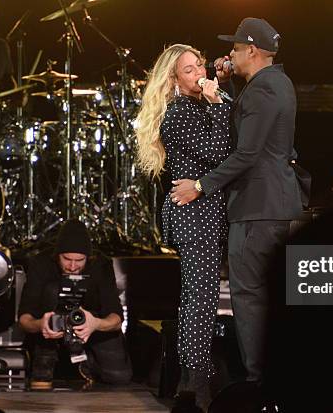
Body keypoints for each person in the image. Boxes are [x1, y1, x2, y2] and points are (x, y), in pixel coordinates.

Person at [171, 18, 304, 387]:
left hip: (258, 209)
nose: (227, 55)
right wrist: (226, 86)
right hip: (275, 205)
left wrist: (199, 185)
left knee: (249, 298)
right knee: (270, 297)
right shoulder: (274, 82)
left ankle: (260, 384)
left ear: (252, 51)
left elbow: (246, 152)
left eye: (234, 49)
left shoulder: (262, 89)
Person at [135, 44, 230, 411]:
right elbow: (219, 151)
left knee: (198, 300)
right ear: (173, 79)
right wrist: (218, 104)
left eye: (199, 65)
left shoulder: (197, 106)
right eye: (189, 70)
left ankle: (190, 383)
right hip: (195, 217)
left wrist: (219, 93)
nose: (199, 73)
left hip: (202, 214)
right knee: (201, 302)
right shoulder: (177, 114)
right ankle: (196, 384)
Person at [18, 219, 132, 388]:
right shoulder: (41, 263)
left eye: (79, 260)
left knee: (119, 377)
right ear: (57, 255)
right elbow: (24, 318)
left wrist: (95, 324)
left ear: (89, 257)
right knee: (51, 289)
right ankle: (46, 361)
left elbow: (115, 317)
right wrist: (41, 325)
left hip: (91, 328)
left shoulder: (100, 265)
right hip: (51, 332)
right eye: (66, 259)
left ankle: (88, 363)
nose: (72, 266)